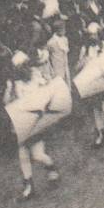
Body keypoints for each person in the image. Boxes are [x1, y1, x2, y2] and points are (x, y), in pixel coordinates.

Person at [7, 50, 61, 200]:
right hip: (23, 122)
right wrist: (9, 90)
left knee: (37, 155)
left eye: (23, 66)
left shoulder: (36, 78)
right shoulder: (15, 84)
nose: (21, 70)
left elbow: (45, 94)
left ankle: (51, 167)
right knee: (23, 153)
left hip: (36, 121)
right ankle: (29, 185)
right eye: (18, 68)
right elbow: (9, 102)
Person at [77, 21, 104, 148]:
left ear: (99, 35)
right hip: (92, 84)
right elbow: (78, 67)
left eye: (94, 35)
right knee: (96, 111)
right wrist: (85, 61)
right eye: (90, 35)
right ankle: (101, 135)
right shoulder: (85, 50)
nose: (92, 37)